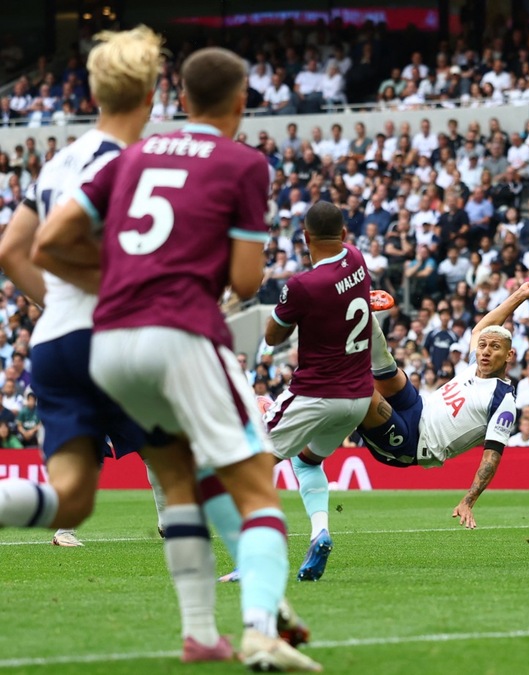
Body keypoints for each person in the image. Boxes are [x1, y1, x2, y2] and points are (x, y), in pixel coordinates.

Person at [36, 47, 320, 670]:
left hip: (110, 344)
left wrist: (120, 281)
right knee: (258, 489)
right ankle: (258, 630)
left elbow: (49, 241)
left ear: (181, 100)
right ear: (241, 103)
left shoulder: (133, 155)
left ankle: (213, 628)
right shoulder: (244, 163)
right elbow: (246, 281)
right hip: (180, 332)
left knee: (183, 482)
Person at [0, 27, 168, 551]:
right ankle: (221, 591)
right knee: (184, 450)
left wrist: (61, 306)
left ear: (94, 92)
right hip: (112, 340)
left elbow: (11, 251)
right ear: (151, 95)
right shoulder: (133, 166)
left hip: (56, 340)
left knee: (71, 497)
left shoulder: (59, 162)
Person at [336, 280, 529, 529]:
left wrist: (469, 500)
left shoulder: (503, 400)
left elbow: (492, 457)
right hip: (417, 408)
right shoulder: (474, 366)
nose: (486, 351)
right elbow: (481, 329)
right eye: (482, 346)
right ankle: (363, 311)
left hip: (412, 444)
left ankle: (317, 387)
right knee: (388, 369)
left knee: (362, 390)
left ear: (509, 355)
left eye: (495, 347)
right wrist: (519, 295)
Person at [261, 201, 376, 582]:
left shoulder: (302, 286)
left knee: (247, 463)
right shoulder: (357, 259)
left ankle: (254, 557)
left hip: (317, 395)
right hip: (357, 399)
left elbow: (272, 336)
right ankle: (319, 533)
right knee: (306, 462)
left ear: (305, 236)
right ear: (343, 234)